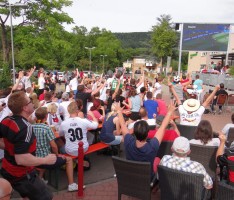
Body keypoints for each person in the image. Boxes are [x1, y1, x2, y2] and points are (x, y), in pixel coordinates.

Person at [0, 91, 56, 200]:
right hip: (21, 174)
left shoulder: (6, 120)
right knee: (47, 197)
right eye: (29, 101)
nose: (32, 103)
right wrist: (45, 160)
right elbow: (21, 159)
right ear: (25, 108)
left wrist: (11, 148)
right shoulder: (25, 128)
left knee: (26, 196)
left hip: (7, 169)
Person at [117, 101, 177, 178]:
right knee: (158, 159)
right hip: (148, 179)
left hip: (131, 176)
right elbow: (162, 127)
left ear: (134, 132)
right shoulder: (152, 146)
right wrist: (169, 112)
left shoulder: (128, 141)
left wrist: (119, 111)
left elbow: (123, 125)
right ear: (147, 133)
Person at [33, 107, 79, 191]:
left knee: (45, 153)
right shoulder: (46, 128)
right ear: (46, 116)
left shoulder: (31, 127)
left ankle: (40, 179)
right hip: (45, 160)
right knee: (68, 160)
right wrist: (58, 155)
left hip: (34, 159)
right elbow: (54, 146)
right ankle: (71, 184)